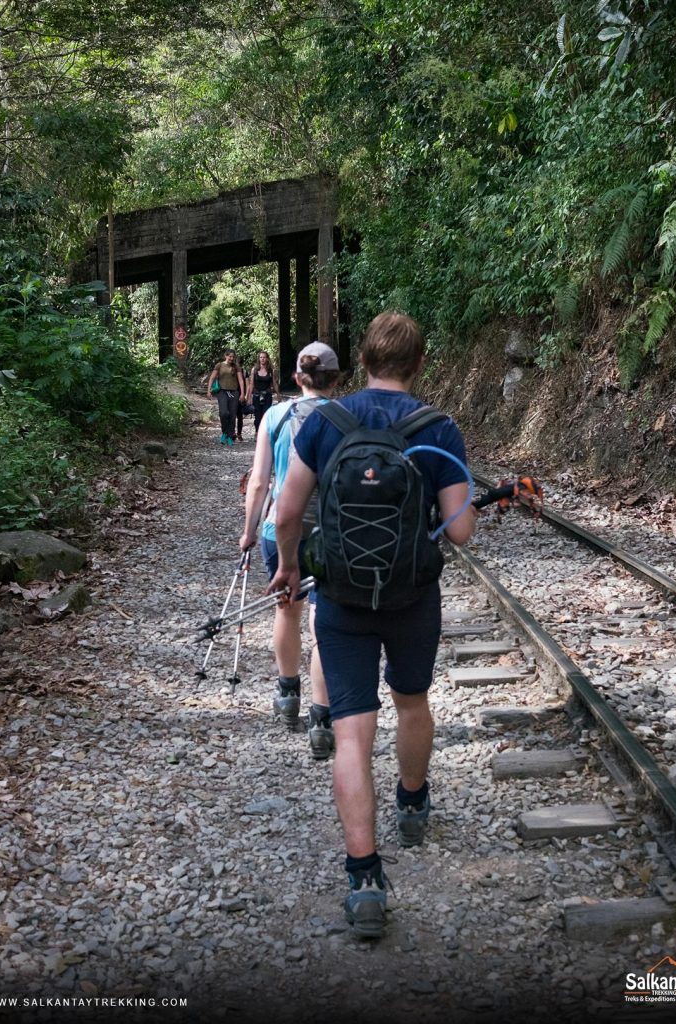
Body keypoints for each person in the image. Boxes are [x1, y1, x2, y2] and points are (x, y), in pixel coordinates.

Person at [270, 313, 476, 939]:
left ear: (361, 362)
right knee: (412, 701)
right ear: (418, 365)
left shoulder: (326, 423)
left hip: (341, 599)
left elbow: (288, 510)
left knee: (353, 734)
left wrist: (286, 566)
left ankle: (363, 877)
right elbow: (460, 530)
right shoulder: (437, 428)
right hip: (413, 598)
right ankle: (412, 803)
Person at [239, 341, 340, 760]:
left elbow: (260, 482)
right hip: (329, 532)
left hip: (278, 526)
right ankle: (321, 718)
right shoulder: (344, 417)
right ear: (336, 379)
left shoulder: (275, 416)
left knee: (287, 608)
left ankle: (287, 696)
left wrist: (248, 531)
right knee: (325, 621)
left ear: (297, 377)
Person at [207, 348, 244, 446]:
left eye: (233, 356)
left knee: (232, 415)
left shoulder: (236, 367)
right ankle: (224, 432)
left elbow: (241, 380)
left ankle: (230, 436)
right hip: (222, 392)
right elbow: (212, 377)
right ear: (226, 356)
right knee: (224, 413)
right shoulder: (219, 365)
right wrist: (208, 390)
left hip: (234, 393)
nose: (231, 358)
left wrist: (242, 393)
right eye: (230, 356)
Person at [246, 350, 280, 431]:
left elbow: (274, 383)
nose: (262, 359)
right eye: (261, 357)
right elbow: (251, 384)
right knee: (257, 417)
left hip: (267, 395)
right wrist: (249, 397)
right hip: (257, 395)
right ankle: (257, 431)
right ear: (259, 359)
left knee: (265, 415)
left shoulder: (271, 370)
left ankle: (264, 434)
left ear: (267, 359)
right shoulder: (254, 370)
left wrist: (278, 395)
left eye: (264, 357)